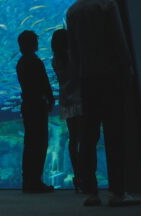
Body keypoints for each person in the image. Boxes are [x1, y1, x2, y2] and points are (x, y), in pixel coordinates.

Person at [65, 0, 139, 207]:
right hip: (111, 77)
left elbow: (72, 50)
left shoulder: (73, 10)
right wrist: (128, 68)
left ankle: (91, 192)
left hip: (87, 79)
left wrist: (77, 78)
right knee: (115, 134)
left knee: (88, 136)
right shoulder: (108, 4)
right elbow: (118, 39)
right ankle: (118, 192)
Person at [16, 30, 55, 193]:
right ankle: (36, 181)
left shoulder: (20, 62)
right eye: (35, 41)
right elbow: (44, 82)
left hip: (27, 105)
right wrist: (50, 98)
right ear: (31, 43)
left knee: (30, 143)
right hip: (37, 106)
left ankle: (28, 180)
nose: (38, 43)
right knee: (40, 143)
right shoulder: (35, 61)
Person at [50, 28, 82, 193]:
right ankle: (85, 174)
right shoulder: (73, 58)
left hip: (66, 101)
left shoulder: (55, 60)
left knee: (73, 138)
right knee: (84, 138)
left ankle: (78, 175)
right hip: (79, 99)